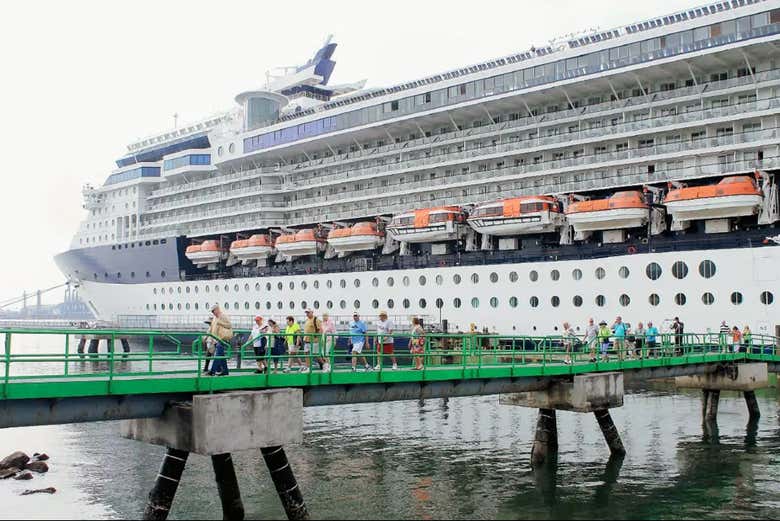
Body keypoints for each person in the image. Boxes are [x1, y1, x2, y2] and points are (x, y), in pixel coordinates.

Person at [207, 304, 233, 376]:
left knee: (218, 355)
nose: (212, 313)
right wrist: (211, 337)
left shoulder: (223, 316)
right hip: (216, 339)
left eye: (213, 311)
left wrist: (220, 323)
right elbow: (212, 328)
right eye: (212, 311)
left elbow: (229, 325)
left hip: (222, 339)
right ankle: (225, 371)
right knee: (221, 356)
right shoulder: (215, 318)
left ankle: (212, 371)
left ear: (217, 309)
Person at [302, 309, 323, 373]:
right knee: (306, 353)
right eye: (306, 313)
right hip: (307, 340)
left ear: (312, 312)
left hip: (314, 340)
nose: (307, 314)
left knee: (317, 355)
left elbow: (320, 330)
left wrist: (317, 339)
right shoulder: (307, 320)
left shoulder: (316, 320)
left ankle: (324, 364)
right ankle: (308, 367)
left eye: (308, 312)